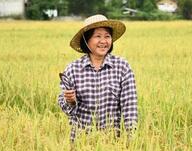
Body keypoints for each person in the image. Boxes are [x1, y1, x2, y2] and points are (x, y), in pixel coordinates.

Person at [57, 14, 138, 142]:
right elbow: (66, 109)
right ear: (86, 40)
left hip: (112, 142)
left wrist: (131, 140)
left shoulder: (122, 67)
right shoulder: (73, 69)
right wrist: (70, 101)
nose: (103, 41)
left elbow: (130, 107)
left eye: (107, 36)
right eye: (98, 36)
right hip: (81, 141)